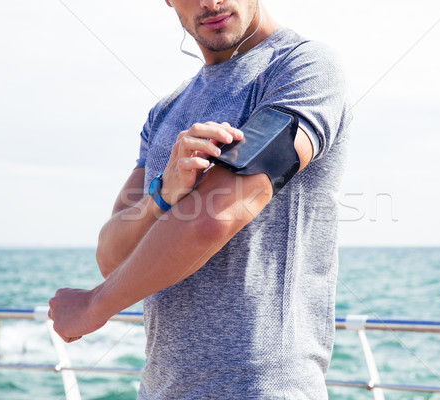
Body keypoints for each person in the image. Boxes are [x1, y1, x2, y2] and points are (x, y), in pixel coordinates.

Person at [48, 0, 350, 398]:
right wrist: (163, 194)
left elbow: (216, 216)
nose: (210, 2)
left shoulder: (303, 67)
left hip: (261, 387)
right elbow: (111, 257)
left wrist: (94, 306)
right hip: (161, 387)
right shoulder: (167, 110)